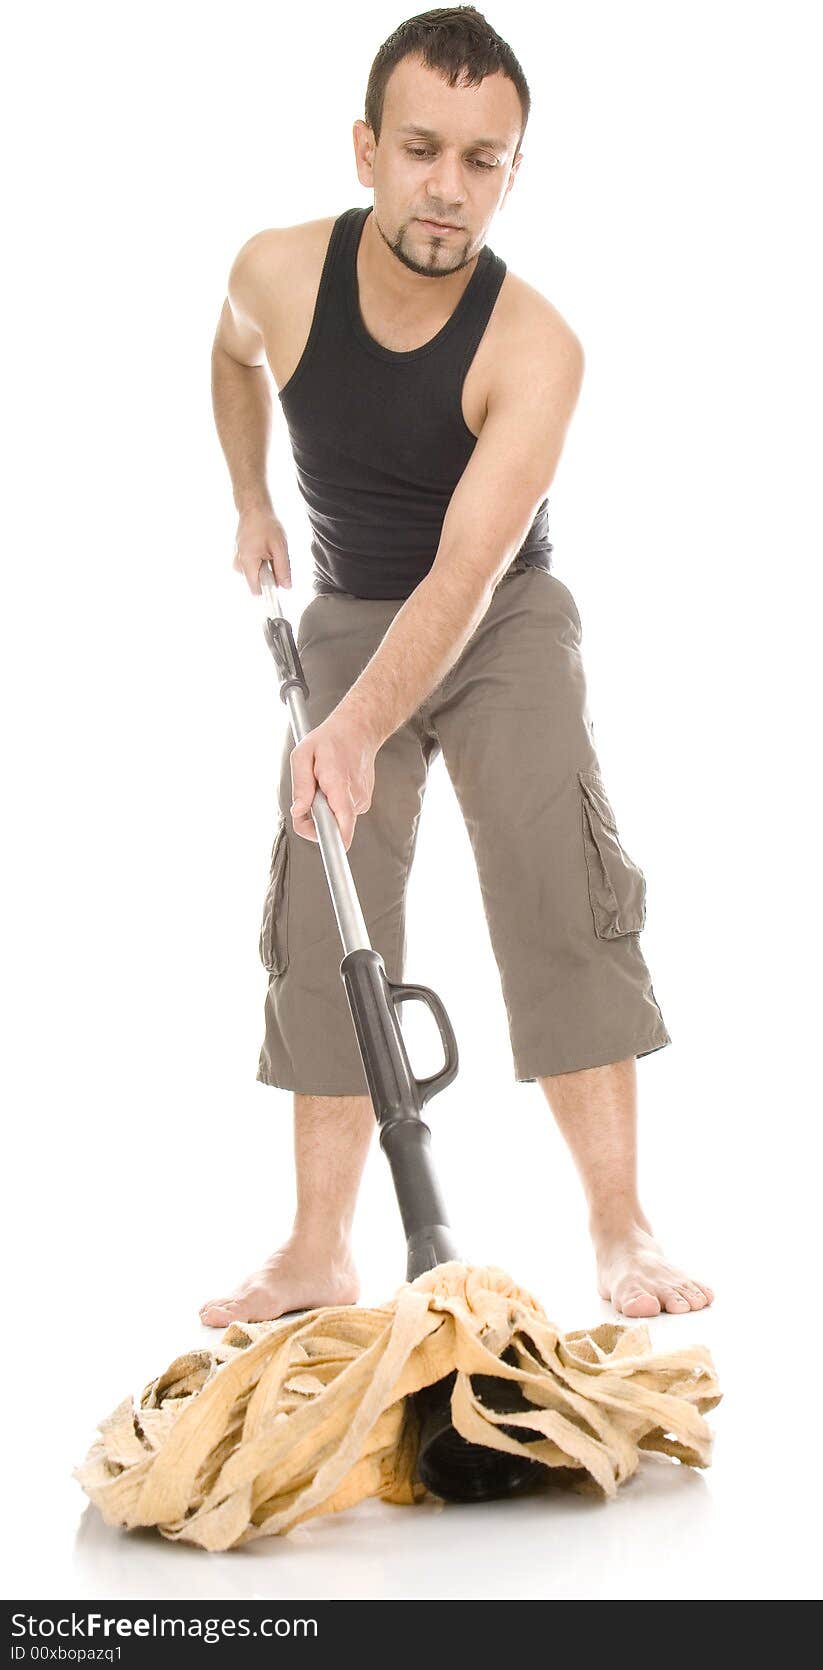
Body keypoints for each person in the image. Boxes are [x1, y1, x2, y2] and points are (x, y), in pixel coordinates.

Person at [201, 6, 713, 1327]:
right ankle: (319, 1247)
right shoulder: (275, 271)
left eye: (483, 160)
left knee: (557, 881)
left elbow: (468, 574)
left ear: (512, 171)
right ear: (366, 148)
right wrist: (252, 498)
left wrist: (357, 730)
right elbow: (228, 354)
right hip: (351, 608)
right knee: (326, 905)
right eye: (423, 147)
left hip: (498, 620)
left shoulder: (536, 344)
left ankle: (621, 1224)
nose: (448, 184)